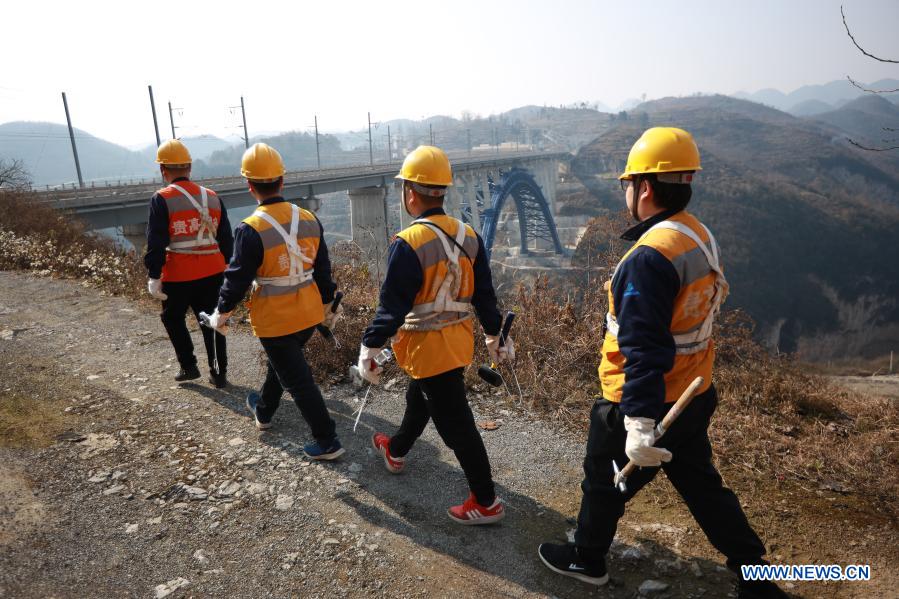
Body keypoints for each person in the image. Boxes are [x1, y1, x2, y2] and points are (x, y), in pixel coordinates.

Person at [537, 127, 786, 598]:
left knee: (605, 480)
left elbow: (644, 347)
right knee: (703, 487)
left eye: (627, 184)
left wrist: (638, 421)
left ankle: (588, 558)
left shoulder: (648, 257)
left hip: (644, 400)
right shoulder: (696, 235)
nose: (625, 192)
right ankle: (757, 575)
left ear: (646, 188)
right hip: (692, 394)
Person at [358, 145, 512, 525]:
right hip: (457, 342)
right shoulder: (470, 236)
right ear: (441, 190)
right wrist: (495, 335)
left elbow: (391, 308)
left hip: (428, 350)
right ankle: (395, 449)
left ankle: (486, 501)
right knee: (420, 400)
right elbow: (485, 296)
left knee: (455, 426)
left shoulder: (408, 243)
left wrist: (368, 347)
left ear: (411, 192)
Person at [203, 143, 344, 460]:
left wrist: (221, 314)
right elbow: (323, 270)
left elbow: (237, 280)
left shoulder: (250, 229)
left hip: (275, 320)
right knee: (283, 364)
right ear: (282, 180)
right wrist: (327, 304)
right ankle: (263, 411)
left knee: (298, 379)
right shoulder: (308, 218)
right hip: (307, 315)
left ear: (249, 185)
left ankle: (328, 440)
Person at [144, 139, 232, 388]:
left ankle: (188, 365)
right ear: (190, 167)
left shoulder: (162, 198)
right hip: (213, 271)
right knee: (212, 322)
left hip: (178, 274)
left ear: (163, 170)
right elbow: (226, 238)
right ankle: (218, 373)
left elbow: (156, 241)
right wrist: (229, 270)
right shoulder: (212, 197)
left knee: (172, 318)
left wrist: (154, 275)